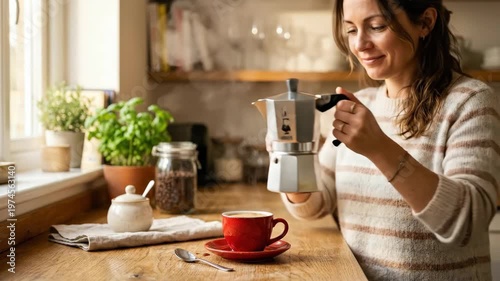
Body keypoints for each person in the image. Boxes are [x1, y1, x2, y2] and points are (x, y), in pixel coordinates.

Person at [276, 0, 500, 280]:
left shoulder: (470, 102)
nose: (360, 44)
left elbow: (467, 223)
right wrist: (289, 155)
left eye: (376, 26)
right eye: (351, 30)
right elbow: (316, 204)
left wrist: (380, 149)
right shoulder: (362, 103)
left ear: (425, 23)